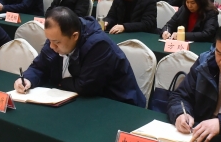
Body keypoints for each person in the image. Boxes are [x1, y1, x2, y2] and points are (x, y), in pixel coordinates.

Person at [14, 7, 145, 107]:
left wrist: (58, 81)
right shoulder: (55, 39)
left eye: (57, 42)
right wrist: (27, 79)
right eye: (49, 40)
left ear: (75, 36)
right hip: (78, 99)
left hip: (118, 104)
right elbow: (40, 66)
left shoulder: (99, 45)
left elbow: (85, 86)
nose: (51, 46)